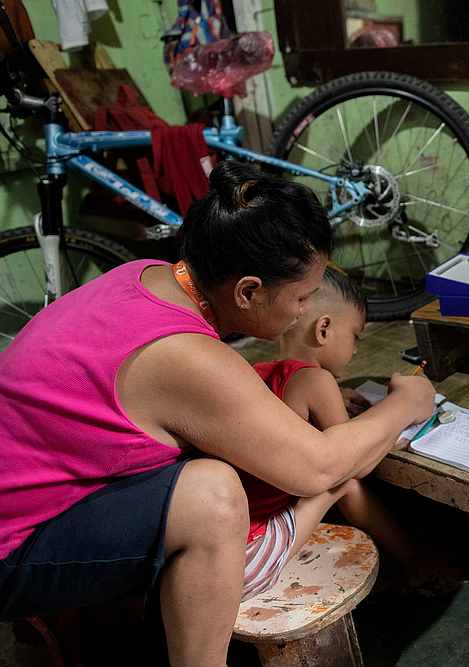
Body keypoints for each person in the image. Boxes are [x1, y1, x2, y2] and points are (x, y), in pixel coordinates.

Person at [0, 162, 435, 667]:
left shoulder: (143, 276)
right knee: (212, 495)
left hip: (28, 497)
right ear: (248, 291)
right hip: (13, 546)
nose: (304, 309)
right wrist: (406, 404)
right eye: (299, 296)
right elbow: (318, 467)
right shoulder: (184, 355)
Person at [241, 267, 416, 598]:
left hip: (238, 525)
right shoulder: (315, 381)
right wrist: (394, 418)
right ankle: (414, 561)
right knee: (346, 485)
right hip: (260, 538)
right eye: (355, 336)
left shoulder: (258, 372)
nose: (355, 349)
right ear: (323, 329)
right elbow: (353, 457)